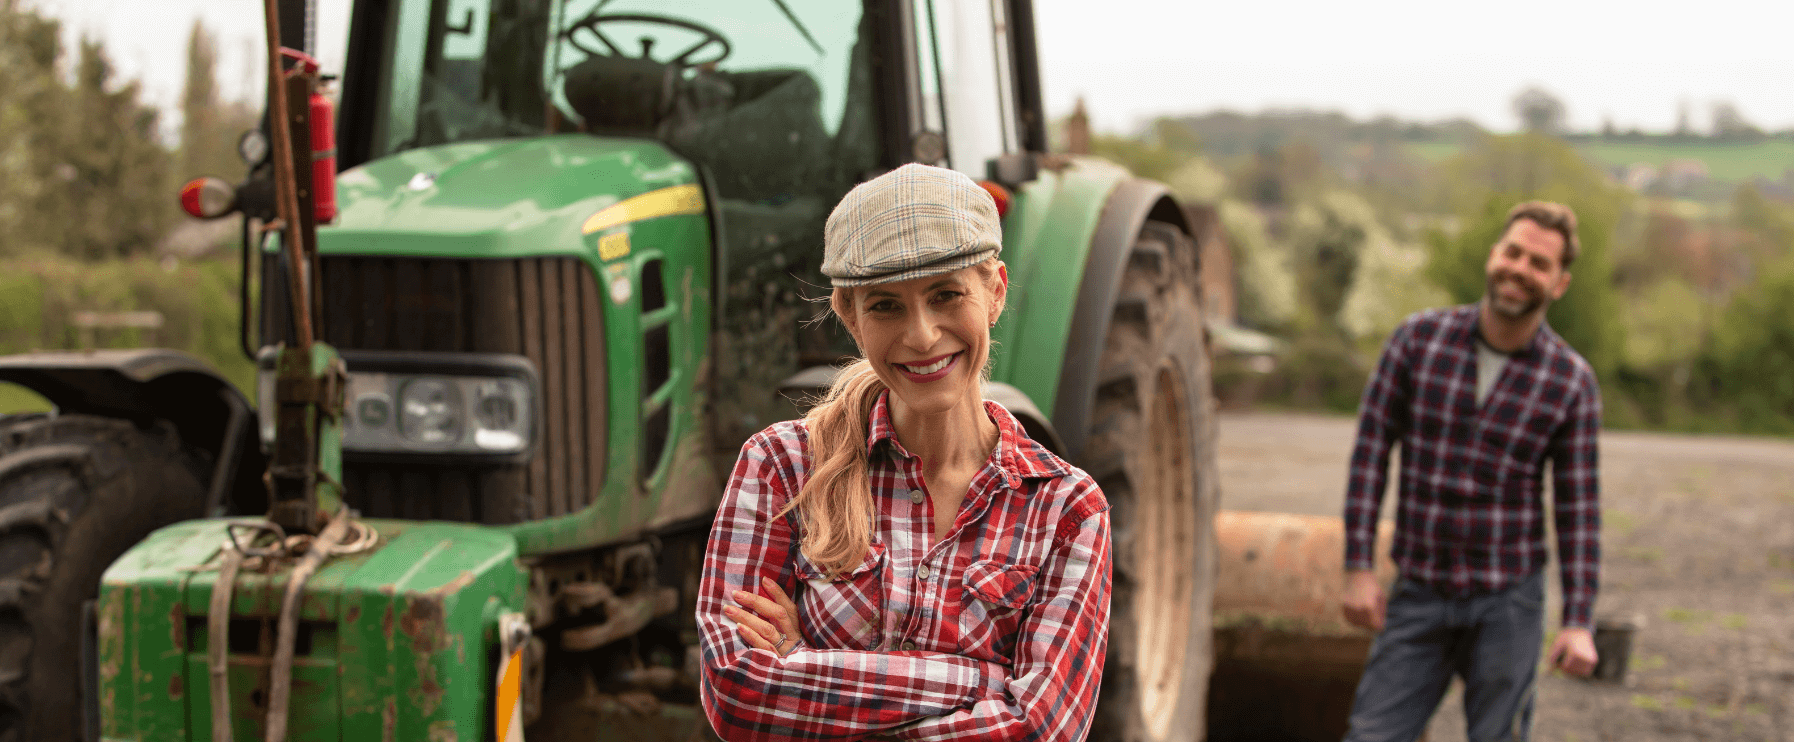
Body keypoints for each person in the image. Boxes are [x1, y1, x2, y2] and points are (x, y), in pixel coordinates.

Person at [694, 163, 1112, 741]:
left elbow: (1043, 729)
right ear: (850, 316)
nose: (921, 336)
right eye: (886, 306)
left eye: (946, 295)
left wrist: (801, 663)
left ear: (995, 291)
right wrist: (984, 684)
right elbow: (736, 694)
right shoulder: (781, 468)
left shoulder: (1067, 510)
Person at [1339, 201, 1603, 742]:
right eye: (1513, 253)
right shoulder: (1417, 341)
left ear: (1559, 284)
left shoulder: (1570, 382)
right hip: (1420, 588)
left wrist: (1578, 620)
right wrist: (1358, 567)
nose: (1519, 269)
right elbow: (1370, 454)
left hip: (1509, 600)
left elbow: (1578, 510)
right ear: (1493, 255)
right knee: (1372, 735)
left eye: (1538, 263)